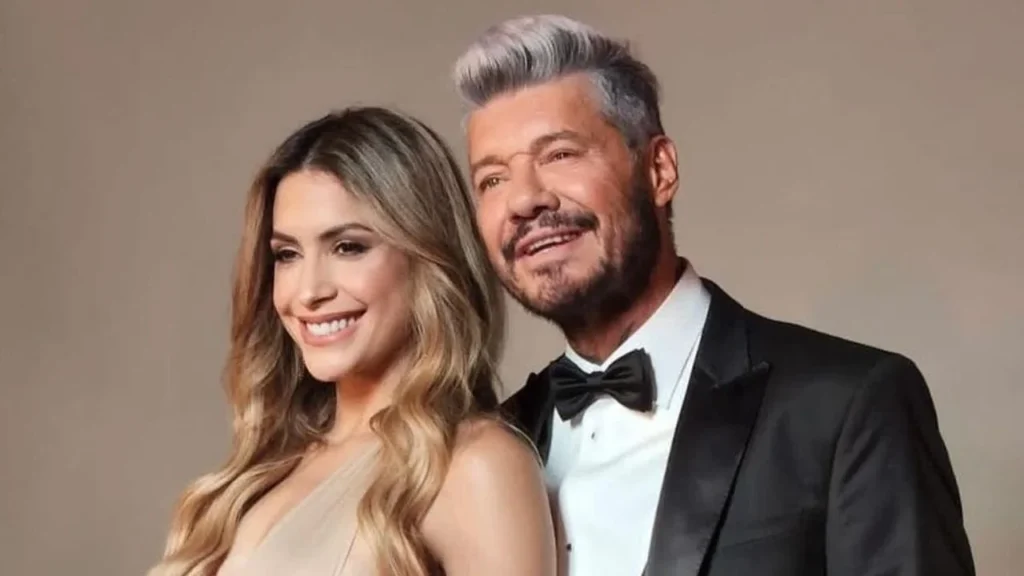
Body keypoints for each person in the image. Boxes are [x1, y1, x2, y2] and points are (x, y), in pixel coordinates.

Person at [452, 14, 975, 576]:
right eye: (492, 179)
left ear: (659, 170)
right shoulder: (487, 445)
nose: (524, 201)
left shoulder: (849, 404)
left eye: (560, 154)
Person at [147, 107, 556, 576]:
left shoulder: (477, 465)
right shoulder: (263, 471)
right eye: (287, 254)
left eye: (348, 247)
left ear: (428, 258)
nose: (309, 291)